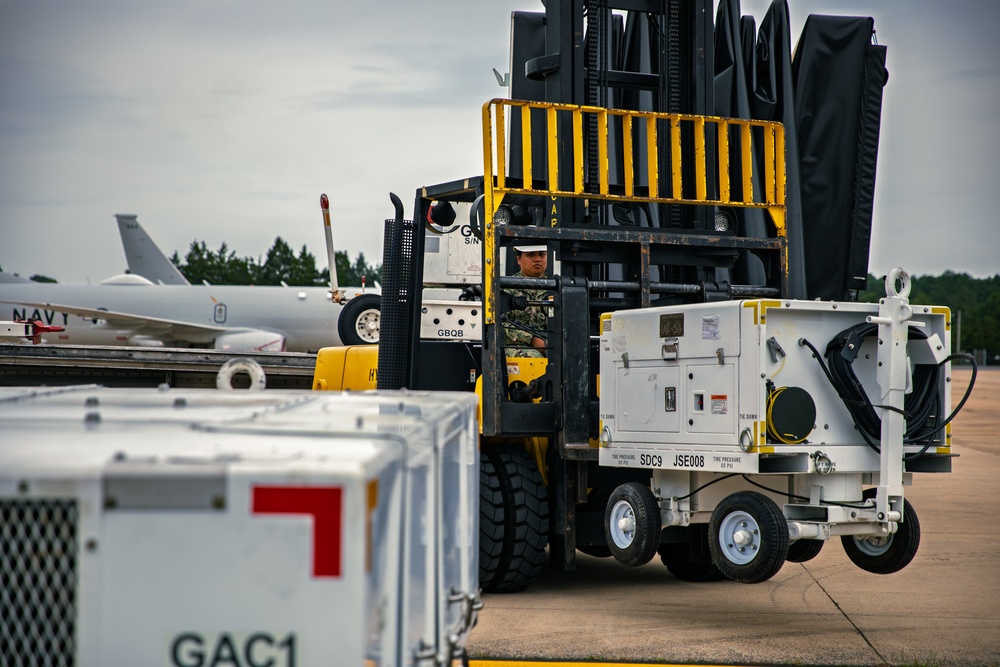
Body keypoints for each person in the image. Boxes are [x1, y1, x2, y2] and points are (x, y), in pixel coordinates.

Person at [503, 244, 548, 358]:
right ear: (519, 259)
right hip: (516, 346)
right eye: (531, 255)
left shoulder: (555, 288)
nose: (537, 259)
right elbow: (499, 324)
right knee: (534, 357)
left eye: (542, 254)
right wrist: (532, 339)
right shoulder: (507, 288)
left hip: (551, 345)